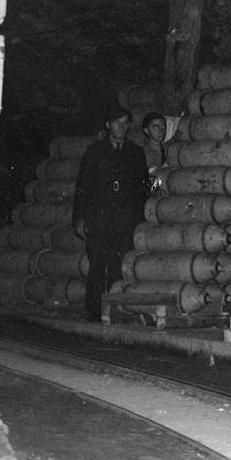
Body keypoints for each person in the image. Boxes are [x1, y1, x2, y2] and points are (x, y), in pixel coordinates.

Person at [72, 104, 149, 320]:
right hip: (99, 218)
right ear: (108, 125)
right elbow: (82, 188)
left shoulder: (135, 153)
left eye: (125, 124)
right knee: (97, 264)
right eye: (117, 123)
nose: (121, 128)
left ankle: (113, 309)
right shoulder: (95, 152)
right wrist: (79, 218)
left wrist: (142, 215)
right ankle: (95, 311)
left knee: (118, 265)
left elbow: (144, 187)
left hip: (124, 220)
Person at [139, 112, 168, 195]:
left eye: (163, 127)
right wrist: (157, 189)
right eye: (156, 127)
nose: (161, 131)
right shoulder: (143, 152)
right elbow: (152, 173)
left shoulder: (167, 149)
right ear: (146, 130)